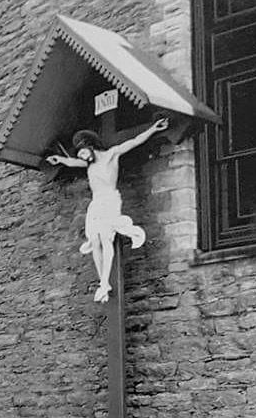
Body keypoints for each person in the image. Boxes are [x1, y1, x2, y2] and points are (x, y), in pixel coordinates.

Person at [45, 118, 168, 302]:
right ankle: (102, 281)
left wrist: (152, 129)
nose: (84, 158)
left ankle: (105, 282)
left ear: (91, 146)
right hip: (96, 203)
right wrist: (59, 159)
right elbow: (71, 163)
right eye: (81, 157)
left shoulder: (111, 154)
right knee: (94, 240)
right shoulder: (88, 164)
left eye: (85, 153)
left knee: (105, 238)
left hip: (110, 199)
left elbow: (134, 141)